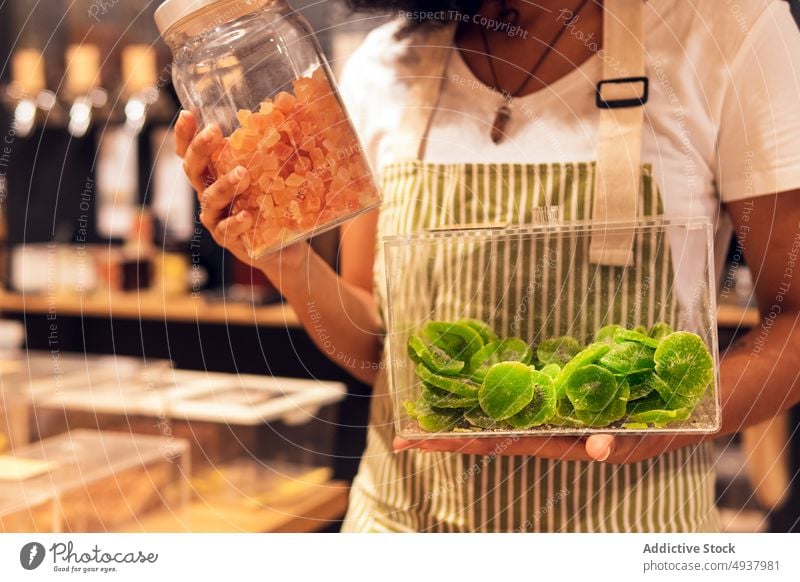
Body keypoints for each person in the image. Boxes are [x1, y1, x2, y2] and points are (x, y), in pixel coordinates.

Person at [175, 0, 800, 532]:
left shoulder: (726, 29)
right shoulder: (385, 62)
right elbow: (377, 347)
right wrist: (286, 259)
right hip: (400, 532)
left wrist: (664, 424)